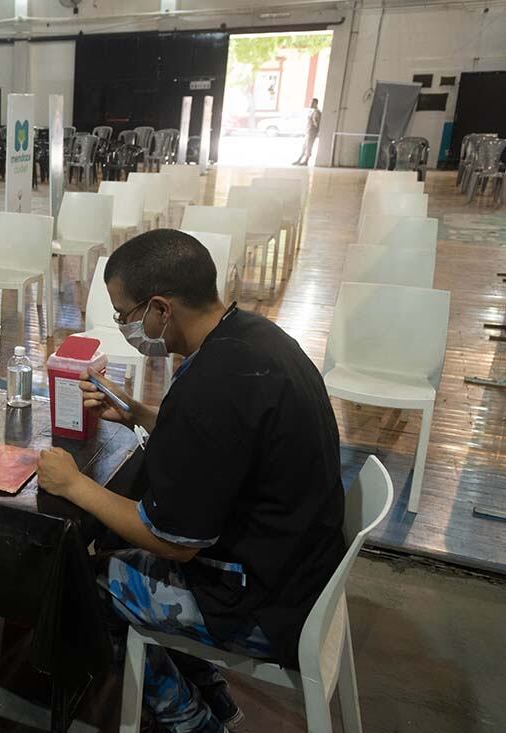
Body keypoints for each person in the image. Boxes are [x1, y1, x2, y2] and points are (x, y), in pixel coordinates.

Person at [36, 230, 345, 733]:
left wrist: (74, 485)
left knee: (81, 584)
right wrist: (139, 413)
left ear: (160, 308)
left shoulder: (210, 388)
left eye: (125, 315)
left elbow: (172, 541)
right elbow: (229, 442)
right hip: (300, 565)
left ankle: (193, 721)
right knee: (116, 545)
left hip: (264, 603)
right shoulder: (252, 338)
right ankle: (213, 695)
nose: (125, 327)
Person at [294, 98, 321, 166]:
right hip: (309, 131)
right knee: (304, 146)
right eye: (310, 102)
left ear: (316, 103)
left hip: (312, 132)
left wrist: (315, 127)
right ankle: (300, 159)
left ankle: (306, 161)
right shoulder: (312, 111)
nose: (311, 104)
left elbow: (317, 123)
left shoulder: (317, 112)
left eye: (312, 103)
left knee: (309, 146)